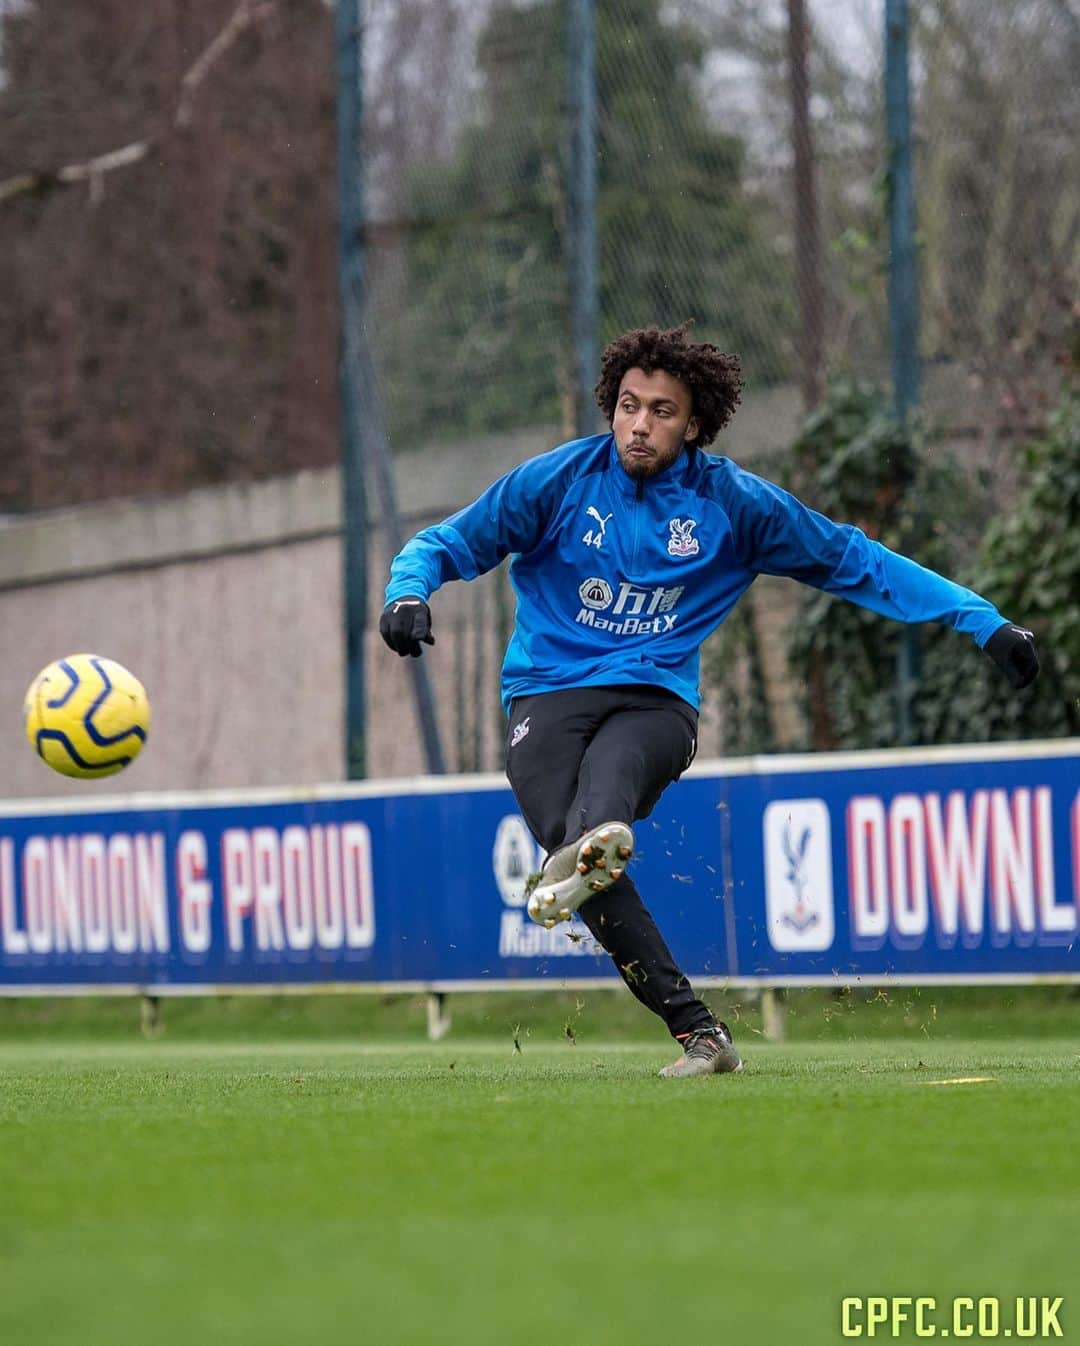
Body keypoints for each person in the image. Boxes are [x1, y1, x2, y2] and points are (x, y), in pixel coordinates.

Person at [379, 324, 1039, 1078]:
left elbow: (855, 559)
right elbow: (442, 542)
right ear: (611, 407)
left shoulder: (733, 504)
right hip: (548, 694)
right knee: (579, 853)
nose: (639, 423)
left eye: (662, 411)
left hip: (655, 703)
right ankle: (701, 1033)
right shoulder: (556, 483)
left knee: (594, 828)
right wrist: (407, 594)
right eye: (629, 405)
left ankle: (608, 865)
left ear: (693, 424)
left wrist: (981, 621)